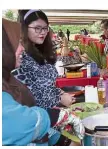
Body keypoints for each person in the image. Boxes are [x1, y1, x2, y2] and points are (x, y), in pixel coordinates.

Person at [2, 18, 84, 146]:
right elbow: (19, 123)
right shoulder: (20, 66)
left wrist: (60, 139)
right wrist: (55, 115)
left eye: (45, 29)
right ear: (5, 48)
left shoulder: (7, 78)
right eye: (16, 42)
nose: (43, 33)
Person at [13, 10, 75, 109]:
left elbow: (46, 86)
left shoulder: (39, 50)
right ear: (24, 28)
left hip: (53, 113)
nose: (43, 32)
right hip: (39, 117)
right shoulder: (18, 56)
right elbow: (28, 97)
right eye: (37, 28)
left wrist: (61, 93)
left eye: (45, 28)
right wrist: (59, 99)